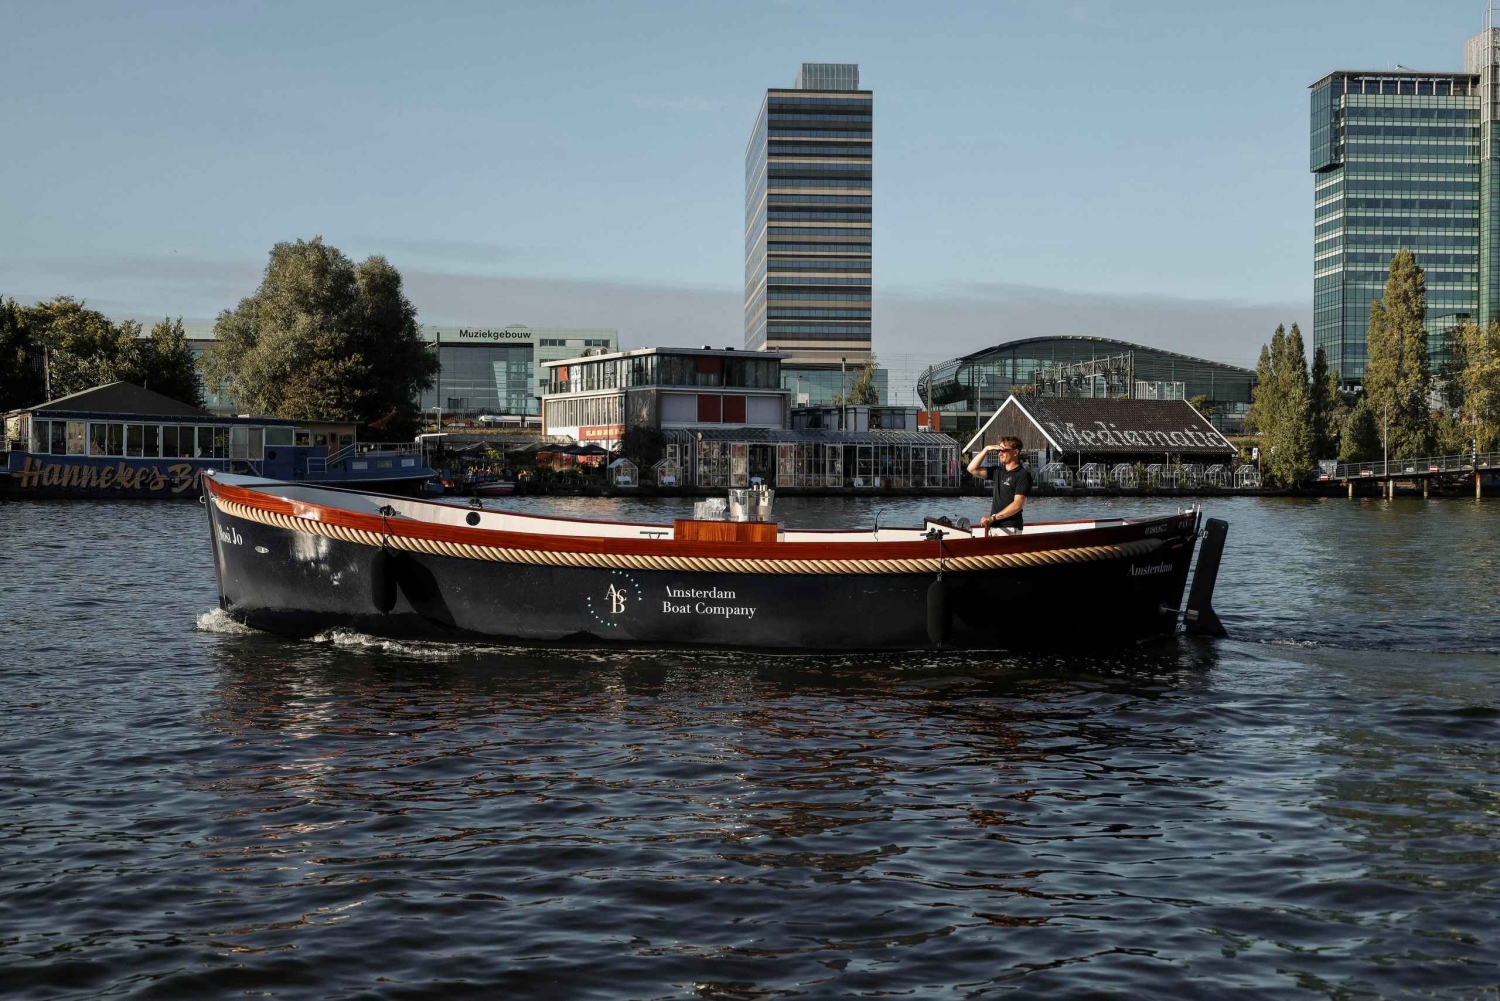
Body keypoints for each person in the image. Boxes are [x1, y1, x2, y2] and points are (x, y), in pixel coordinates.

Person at [966, 435, 1030, 534]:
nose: (1000, 453)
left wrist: (993, 518)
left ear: (1016, 452)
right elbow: (971, 469)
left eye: (1003, 450)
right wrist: (986, 449)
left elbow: (1018, 504)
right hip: (994, 526)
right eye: (998, 450)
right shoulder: (997, 471)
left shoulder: (1023, 475)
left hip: (1010, 527)